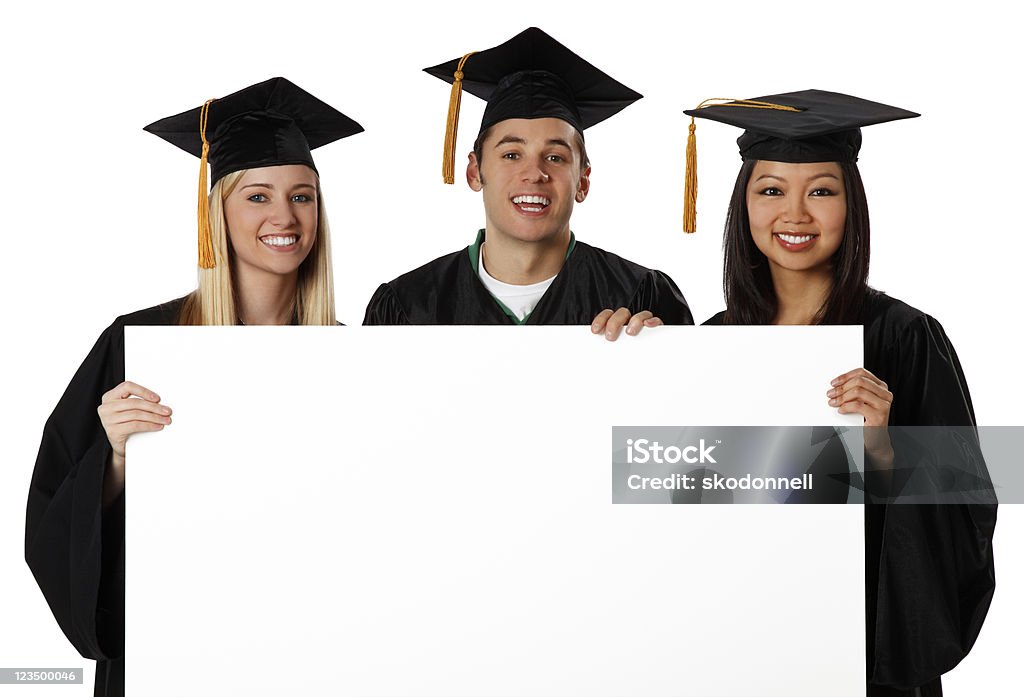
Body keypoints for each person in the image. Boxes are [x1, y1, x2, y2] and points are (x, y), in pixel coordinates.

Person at [24, 77, 363, 697]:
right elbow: (52, 519)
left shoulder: (350, 360)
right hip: (177, 656)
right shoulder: (139, 342)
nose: (284, 216)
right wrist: (117, 460)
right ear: (217, 213)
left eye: (303, 197)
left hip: (314, 655)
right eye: (257, 196)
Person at [691, 90, 997, 695]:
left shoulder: (906, 337)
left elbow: (965, 511)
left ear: (850, 206)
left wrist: (882, 447)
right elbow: (680, 494)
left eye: (822, 191)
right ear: (743, 205)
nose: (796, 214)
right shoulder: (713, 343)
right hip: (739, 645)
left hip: (860, 654)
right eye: (771, 189)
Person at [363, 27, 693, 334]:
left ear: (582, 182)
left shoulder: (639, 297)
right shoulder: (408, 308)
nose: (535, 174)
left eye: (555, 157)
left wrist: (655, 357)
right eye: (511, 155)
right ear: (474, 172)